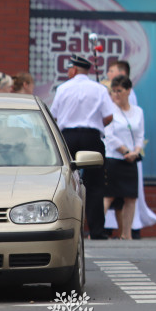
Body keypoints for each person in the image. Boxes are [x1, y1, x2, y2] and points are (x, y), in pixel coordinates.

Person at [49, 54, 115, 239]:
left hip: (68, 137)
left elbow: (54, 115)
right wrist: (95, 122)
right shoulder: (99, 89)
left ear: (74, 69)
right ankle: (97, 231)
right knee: (95, 185)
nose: (68, 71)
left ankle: (68, 228)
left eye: (69, 68)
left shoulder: (63, 88)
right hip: (91, 138)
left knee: (67, 182)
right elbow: (109, 116)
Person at [103, 75, 144, 240]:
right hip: (114, 157)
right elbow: (109, 135)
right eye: (113, 91)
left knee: (130, 197)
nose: (116, 95)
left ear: (128, 91)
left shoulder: (138, 111)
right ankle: (97, 230)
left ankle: (126, 234)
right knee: (108, 195)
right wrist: (125, 151)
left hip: (131, 159)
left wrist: (136, 151)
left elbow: (140, 134)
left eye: (119, 91)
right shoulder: (110, 110)